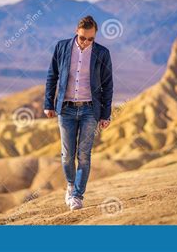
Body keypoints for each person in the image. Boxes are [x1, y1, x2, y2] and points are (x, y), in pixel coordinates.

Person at [43, 15, 113, 211]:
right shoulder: (62, 47)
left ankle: (77, 196)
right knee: (67, 155)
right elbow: (52, 76)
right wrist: (49, 103)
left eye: (91, 39)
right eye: (83, 38)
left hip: (90, 109)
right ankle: (70, 184)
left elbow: (108, 85)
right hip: (65, 109)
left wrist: (105, 114)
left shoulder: (102, 53)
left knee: (84, 155)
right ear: (77, 32)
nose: (86, 42)